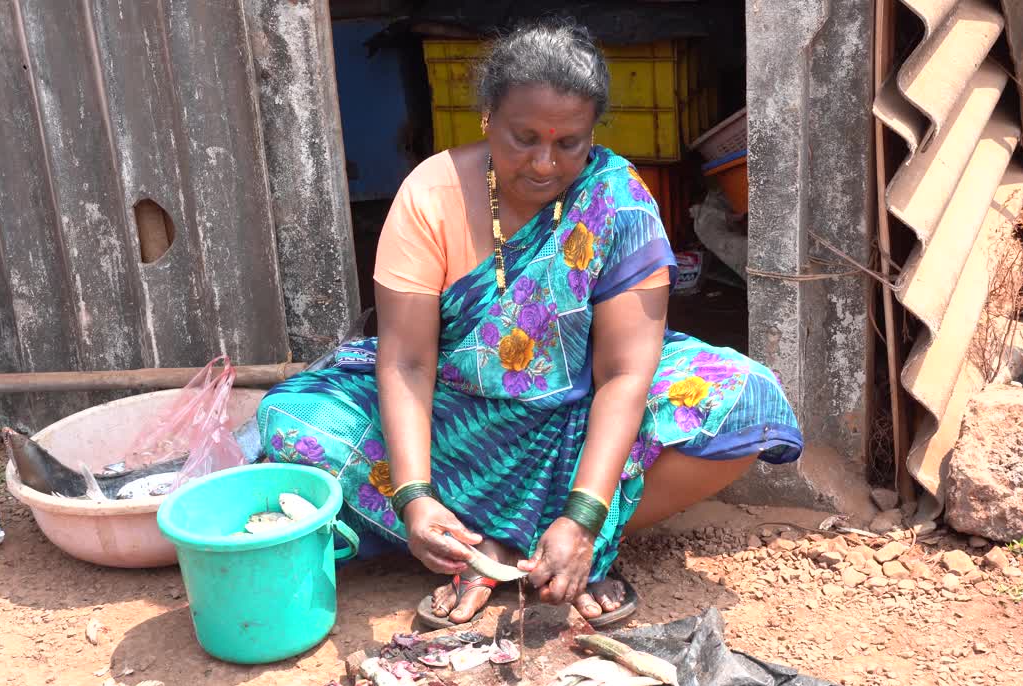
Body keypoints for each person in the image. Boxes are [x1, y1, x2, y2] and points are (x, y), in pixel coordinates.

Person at [257, 21, 802, 629]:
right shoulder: (431, 194)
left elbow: (624, 374)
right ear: (487, 117)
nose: (545, 164)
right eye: (524, 138)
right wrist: (413, 496)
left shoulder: (617, 200)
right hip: (452, 415)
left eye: (569, 143)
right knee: (293, 425)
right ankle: (477, 540)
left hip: (578, 409)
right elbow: (407, 362)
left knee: (746, 398)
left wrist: (585, 514)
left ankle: (533, 544)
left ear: (592, 133)